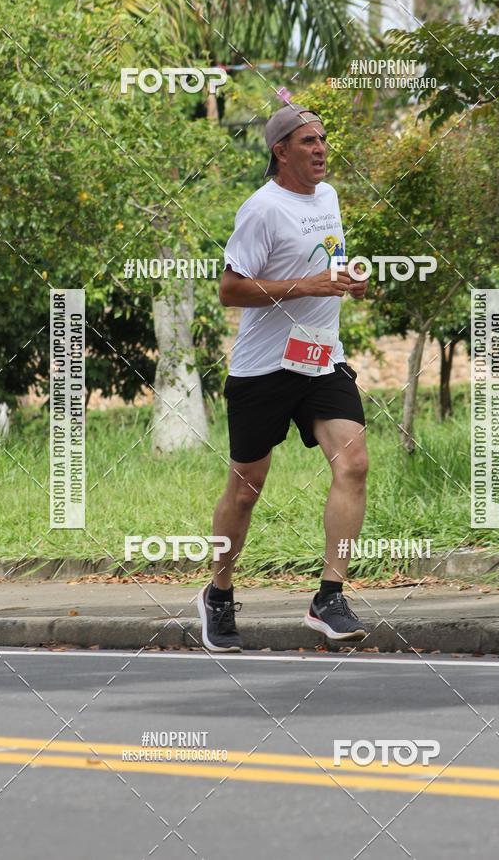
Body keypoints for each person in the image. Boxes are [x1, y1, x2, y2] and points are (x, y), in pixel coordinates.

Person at [197, 103, 369, 652]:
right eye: (308, 141)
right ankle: (218, 592)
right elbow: (230, 291)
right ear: (281, 151)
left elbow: (325, 264)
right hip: (263, 368)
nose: (321, 149)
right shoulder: (262, 209)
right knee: (246, 487)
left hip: (321, 360)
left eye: (323, 139)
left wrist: (347, 280)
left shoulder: (329, 197)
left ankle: (329, 598)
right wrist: (306, 286)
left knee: (354, 463)